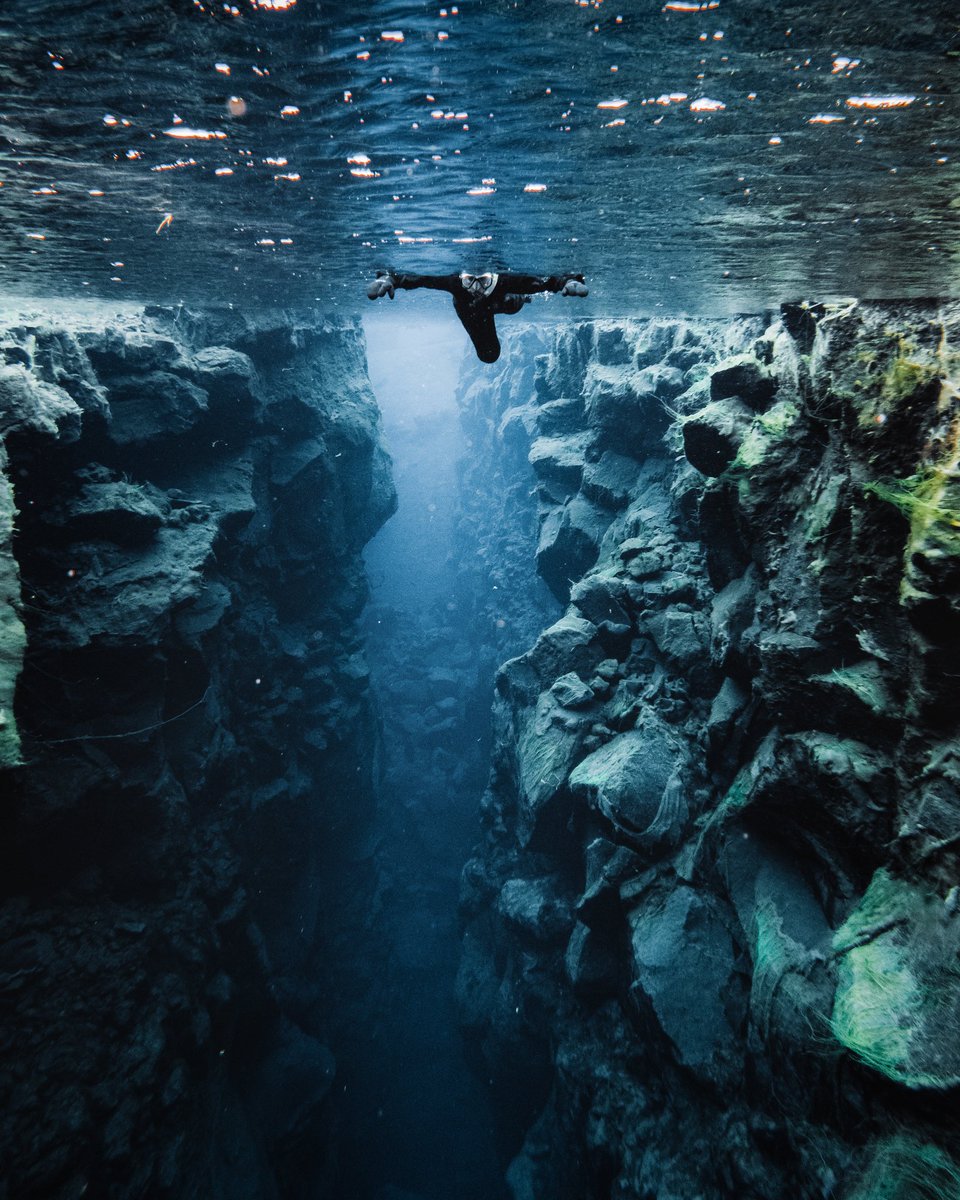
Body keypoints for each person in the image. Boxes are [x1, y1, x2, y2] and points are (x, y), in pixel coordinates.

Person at [366, 270, 589, 363]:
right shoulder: (504, 293)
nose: (476, 281)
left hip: (481, 301)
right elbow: (542, 284)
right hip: (488, 299)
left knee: (490, 345)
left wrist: (393, 279)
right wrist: (566, 281)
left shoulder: (461, 287)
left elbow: (425, 280)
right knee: (510, 303)